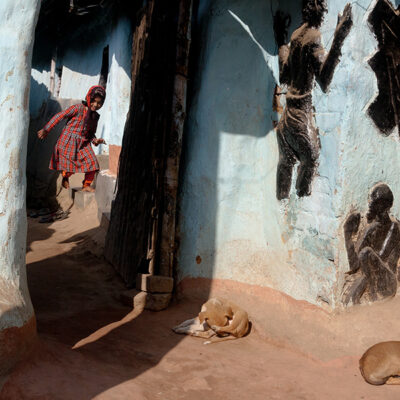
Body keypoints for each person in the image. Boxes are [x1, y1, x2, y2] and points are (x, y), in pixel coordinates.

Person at [273, 1, 352, 199]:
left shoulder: (296, 35)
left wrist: (282, 40)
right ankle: (300, 202)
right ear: (317, 10)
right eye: (321, 7)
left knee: (286, 162)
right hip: (300, 118)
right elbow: (324, 81)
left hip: (286, 121)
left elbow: (284, 75)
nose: (324, 12)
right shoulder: (314, 36)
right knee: (311, 159)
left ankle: (282, 201)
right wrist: (339, 39)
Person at [37, 85, 106, 192]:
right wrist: (47, 128)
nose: (96, 105)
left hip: (83, 143)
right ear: (89, 97)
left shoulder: (94, 116)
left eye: (99, 103)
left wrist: (96, 141)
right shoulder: (78, 108)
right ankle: (65, 176)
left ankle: (86, 185)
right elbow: (60, 116)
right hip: (68, 142)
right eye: (94, 101)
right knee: (71, 165)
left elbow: (90, 133)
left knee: (93, 164)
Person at [342, 184, 400, 305]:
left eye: (374, 202)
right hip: (370, 278)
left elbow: (380, 257)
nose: (370, 205)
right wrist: (348, 235)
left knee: (366, 252)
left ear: (385, 205)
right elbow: (355, 265)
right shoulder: (371, 228)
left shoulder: (394, 227)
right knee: (351, 298)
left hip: (387, 282)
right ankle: (360, 298)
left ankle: (372, 293)